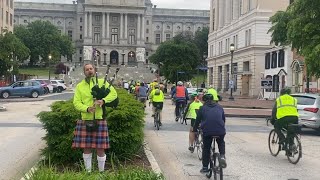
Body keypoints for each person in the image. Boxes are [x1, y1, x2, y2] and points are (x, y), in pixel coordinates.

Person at [73, 64, 117, 172]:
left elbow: (114, 94)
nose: (89, 71)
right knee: (86, 147)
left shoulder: (101, 82)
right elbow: (76, 103)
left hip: (99, 118)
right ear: (84, 72)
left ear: (94, 70)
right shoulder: (80, 86)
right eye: (87, 69)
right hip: (85, 119)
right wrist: (87, 108)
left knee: (100, 148)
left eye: (91, 69)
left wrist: (104, 101)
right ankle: (88, 173)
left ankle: (101, 172)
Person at [193, 93, 227, 173]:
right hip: (220, 130)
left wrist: (194, 129)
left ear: (204, 100)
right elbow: (223, 119)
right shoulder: (219, 107)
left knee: (206, 148)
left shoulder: (202, 108)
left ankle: (205, 167)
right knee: (221, 142)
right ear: (213, 99)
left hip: (208, 131)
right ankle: (222, 156)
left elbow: (197, 121)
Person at [271, 88, 299, 155]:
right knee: (291, 131)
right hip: (294, 118)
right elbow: (295, 109)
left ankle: (282, 139)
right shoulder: (294, 99)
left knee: (276, 126)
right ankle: (291, 146)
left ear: (281, 93)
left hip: (283, 118)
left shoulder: (279, 99)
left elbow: (274, 111)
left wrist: (273, 119)